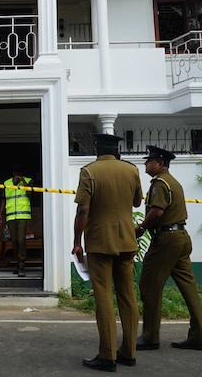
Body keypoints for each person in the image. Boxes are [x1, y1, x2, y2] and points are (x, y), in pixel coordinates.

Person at [72, 133, 144, 372]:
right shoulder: (131, 170)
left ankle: (107, 355)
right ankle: (129, 352)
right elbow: (136, 203)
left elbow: (83, 210)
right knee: (127, 296)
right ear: (117, 151)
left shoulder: (89, 171)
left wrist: (77, 241)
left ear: (97, 150)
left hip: (100, 242)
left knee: (103, 296)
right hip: (127, 241)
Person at [135, 145, 202, 352]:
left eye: (149, 161)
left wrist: (141, 228)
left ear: (160, 164)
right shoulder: (173, 182)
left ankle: (150, 337)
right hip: (180, 238)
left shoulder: (160, 183)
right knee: (188, 288)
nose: (145, 163)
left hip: (166, 240)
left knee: (149, 285)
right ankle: (199, 336)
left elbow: (157, 212)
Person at [0, 164, 32, 277]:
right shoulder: (6, 183)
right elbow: (4, 199)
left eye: (20, 174)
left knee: (21, 240)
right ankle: (18, 263)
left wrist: (23, 182)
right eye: (16, 173)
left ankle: (22, 265)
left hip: (23, 216)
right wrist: (0, 214)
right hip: (11, 216)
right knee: (14, 241)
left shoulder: (28, 181)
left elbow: (30, 193)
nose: (17, 176)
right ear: (13, 173)